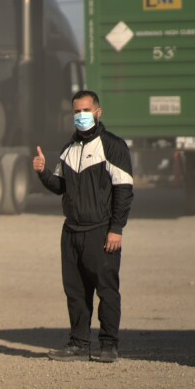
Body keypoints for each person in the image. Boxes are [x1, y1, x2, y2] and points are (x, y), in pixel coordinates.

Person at [33, 89, 133, 363]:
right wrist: (42, 172)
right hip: (71, 232)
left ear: (98, 112)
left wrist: (116, 228)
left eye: (86, 111)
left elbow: (124, 191)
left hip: (101, 231)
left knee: (106, 290)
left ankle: (108, 345)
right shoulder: (68, 149)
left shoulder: (113, 146)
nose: (81, 116)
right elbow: (59, 187)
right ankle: (78, 344)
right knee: (75, 292)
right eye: (76, 112)